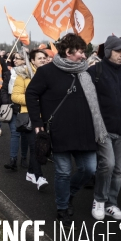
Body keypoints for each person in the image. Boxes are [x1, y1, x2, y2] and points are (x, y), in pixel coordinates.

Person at [26, 33, 105, 227]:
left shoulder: (86, 72)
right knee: (62, 172)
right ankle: (62, 207)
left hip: (85, 131)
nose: (83, 56)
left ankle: (68, 193)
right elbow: (31, 93)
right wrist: (37, 123)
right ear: (68, 52)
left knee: (89, 169)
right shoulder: (47, 72)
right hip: (59, 132)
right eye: (79, 52)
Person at [87, 35, 121, 220]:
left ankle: (111, 204)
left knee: (119, 170)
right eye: (118, 51)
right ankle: (99, 200)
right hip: (103, 129)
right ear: (108, 52)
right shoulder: (95, 71)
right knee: (107, 165)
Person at [12, 49, 50, 191]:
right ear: (32, 60)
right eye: (40, 58)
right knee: (35, 146)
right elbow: (15, 96)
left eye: (45, 58)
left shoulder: (49, 75)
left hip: (45, 117)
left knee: (43, 147)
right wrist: (34, 100)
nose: (43, 60)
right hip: (28, 116)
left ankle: (30, 172)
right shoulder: (23, 75)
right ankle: (39, 177)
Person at [5, 51, 36, 171]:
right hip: (12, 106)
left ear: (26, 60)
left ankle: (23, 157)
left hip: (24, 108)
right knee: (14, 133)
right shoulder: (10, 72)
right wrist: (6, 101)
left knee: (24, 133)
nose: (15, 60)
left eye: (18, 58)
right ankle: (12, 160)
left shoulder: (29, 73)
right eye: (14, 58)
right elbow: (4, 88)